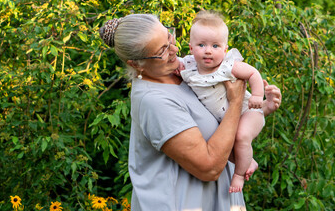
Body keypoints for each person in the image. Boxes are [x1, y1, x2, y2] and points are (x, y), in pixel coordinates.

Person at [99, 14, 281, 210]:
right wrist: (236, 101)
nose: (175, 50)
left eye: (170, 38)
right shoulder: (154, 100)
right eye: (162, 50)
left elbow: (220, 118)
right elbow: (209, 167)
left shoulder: (186, 71)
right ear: (135, 64)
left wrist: (260, 107)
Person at [177, 10, 265, 193]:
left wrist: (257, 95)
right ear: (191, 48)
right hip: (227, 119)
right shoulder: (190, 65)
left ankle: (239, 175)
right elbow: (175, 63)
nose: (208, 50)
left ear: (225, 50)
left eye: (215, 46)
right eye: (201, 45)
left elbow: (252, 73)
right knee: (227, 143)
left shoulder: (227, 66)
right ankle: (249, 161)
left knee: (241, 137)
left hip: (248, 113)